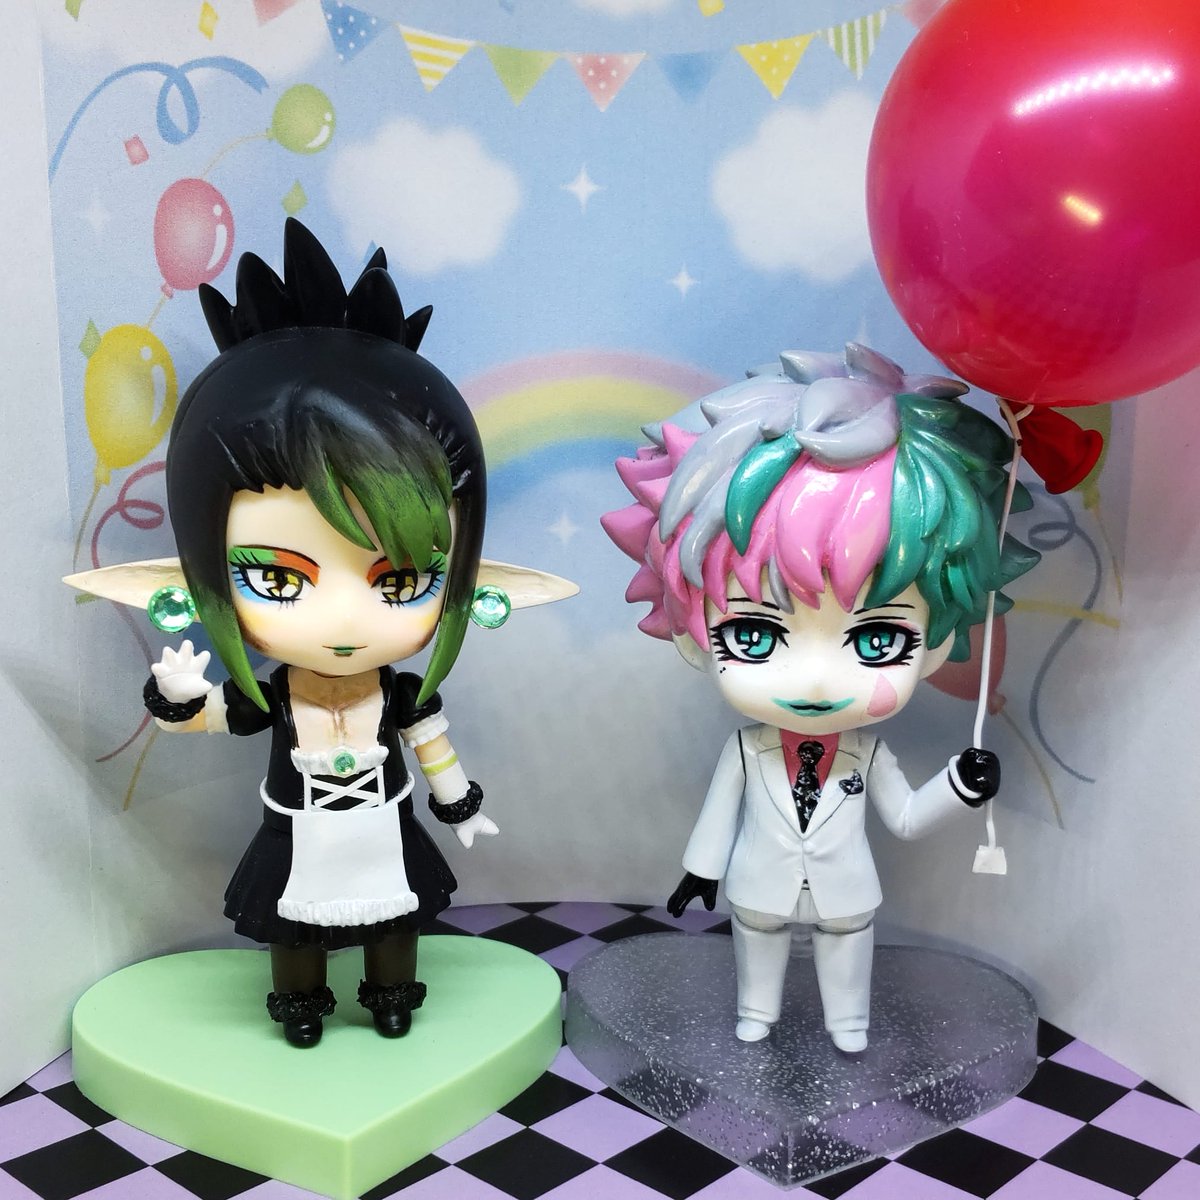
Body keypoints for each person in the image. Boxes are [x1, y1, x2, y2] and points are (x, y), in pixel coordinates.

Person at [69, 220, 573, 1046]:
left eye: (399, 581)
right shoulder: (271, 695)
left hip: (384, 832)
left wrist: (457, 803)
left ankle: (390, 994)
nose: (342, 619)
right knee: (293, 932)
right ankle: (302, 1005)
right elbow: (214, 719)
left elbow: (432, 744)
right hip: (298, 836)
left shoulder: (401, 693)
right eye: (279, 580)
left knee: (395, 923)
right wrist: (176, 697)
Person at [602, 343, 1038, 1053]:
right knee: (756, 942)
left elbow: (904, 816)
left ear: (933, 648)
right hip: (758, 888)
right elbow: (718, 816)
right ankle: (756, 1013)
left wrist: (961, 786)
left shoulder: (868, 752)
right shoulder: (748, 750)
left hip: (846, 895)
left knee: (848, 949)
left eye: (876, 640)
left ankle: (849, 1023)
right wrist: (700, 871)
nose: (814, 681)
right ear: (693, 636)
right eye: (752, 636)